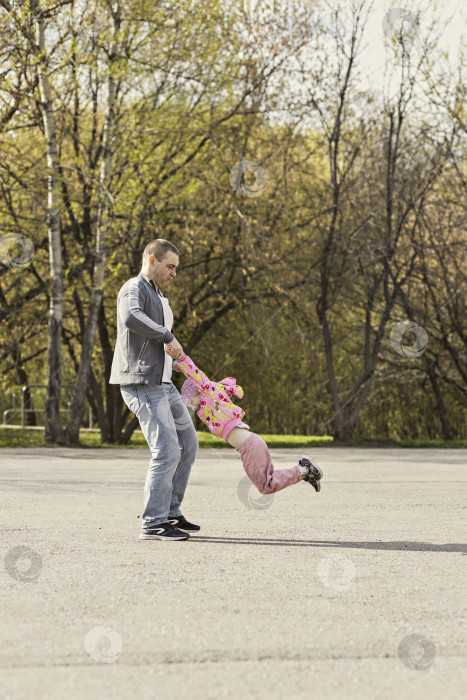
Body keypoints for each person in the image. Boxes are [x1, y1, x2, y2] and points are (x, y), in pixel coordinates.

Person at [109, 239, 199, 542]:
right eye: (170, 266)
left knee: (188, 442)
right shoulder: (132, 287)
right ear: (152, 260)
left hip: (163, 382)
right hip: (142, 384)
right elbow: (131, 318)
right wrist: (167, 335)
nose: (174, 272)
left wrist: (172, 362)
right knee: (167, 451)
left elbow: (154, 342)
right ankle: (153, 523)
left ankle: (170, 511)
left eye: (176, 267)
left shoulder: (160, 297)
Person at [166, 350, 323, 495]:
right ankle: (304, 473)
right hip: (250, 446)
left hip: (250, 447)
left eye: (191, 401)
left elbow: (194, 373)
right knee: (268, 482)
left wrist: (181, 361)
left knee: (265, 486)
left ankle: (304, 469)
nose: (193, 406)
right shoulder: (207, 405)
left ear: (199, 390)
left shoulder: (208, 392)